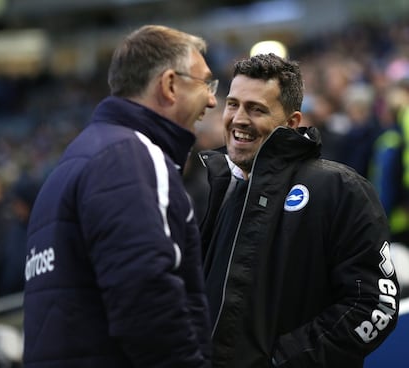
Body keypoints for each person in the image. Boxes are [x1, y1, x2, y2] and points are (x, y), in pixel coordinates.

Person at [23, 24, 218, 368]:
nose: (213, 99)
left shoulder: (74, 161)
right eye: (206, 83)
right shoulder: (132, 155)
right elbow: (146, 296)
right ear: (170, 85)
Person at [199, 53, 400, 368]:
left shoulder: (339, 189)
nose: (238, 118)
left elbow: (375, 305)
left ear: (292, 123)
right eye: (233, 104)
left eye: (256, 109)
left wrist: (282, 360)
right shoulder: (215, 188)